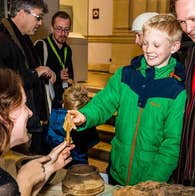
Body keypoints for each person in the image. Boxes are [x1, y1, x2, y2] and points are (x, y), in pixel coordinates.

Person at [69, 14, 187, 186]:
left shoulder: (176, 91)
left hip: (149, 180)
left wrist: (152, 183)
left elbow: (172, 144)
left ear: (174, 46)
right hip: (118, 170)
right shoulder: (125, 75)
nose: (148, 49)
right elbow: (103, 103)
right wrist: (85, 116)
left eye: (156, 45)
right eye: (145, 43)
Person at [0, 68, 74, 196]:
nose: (30, 112)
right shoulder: (5, 185)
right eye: (23, 104)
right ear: (4, 116)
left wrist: (48, 168)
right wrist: (25, 180)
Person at [0, 0, 56, 155]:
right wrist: (35, 73)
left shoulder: (22, 37)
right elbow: (6, 84)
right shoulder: (4, 41)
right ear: (21, 13)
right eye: (37, 17)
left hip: (32, 118)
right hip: (19, 121)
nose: (40, 22)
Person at [44, 84, 99, 166]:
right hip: (79, 162)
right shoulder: (84, 122)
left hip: (57, 161)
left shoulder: (52, 116)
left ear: (63, 104)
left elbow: (47, 138)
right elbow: (92, 141)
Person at [172, 0, 195, 186]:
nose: (187, 28)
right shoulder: (190, 55)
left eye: (193, 18)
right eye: (182, 21)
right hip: (187, 165)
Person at [34, 11, 74, 109]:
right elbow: (34, 76)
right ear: (52, 29)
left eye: (66, 30)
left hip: (62, 101)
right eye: (59, 29)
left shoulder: (67, 49)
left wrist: (69, 80)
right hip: (46, 102)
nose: (63, 34)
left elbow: (71, 76)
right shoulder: (41, 45)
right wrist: (57, 75)